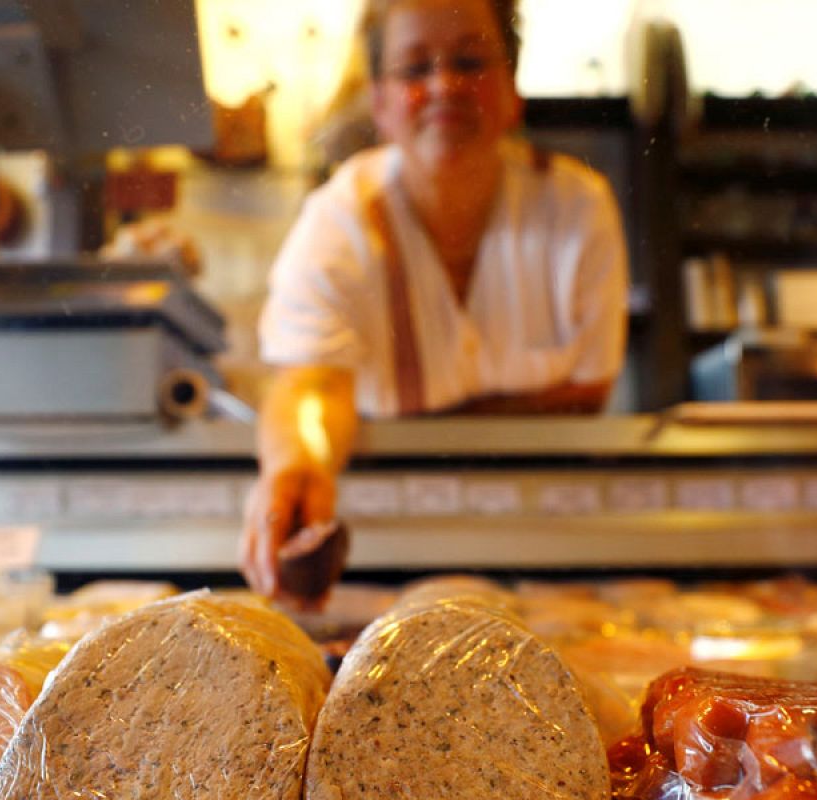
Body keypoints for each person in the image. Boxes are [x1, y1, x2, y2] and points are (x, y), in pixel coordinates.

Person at [240, 0, 629, 604]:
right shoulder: (338, 219)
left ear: (511, 90)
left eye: (470, 61)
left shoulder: (578, 207)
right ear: (380, 102)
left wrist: (395, 423)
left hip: (550, 550)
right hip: (383, 550)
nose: (445, 85)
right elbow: (313, 384)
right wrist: (299, 465)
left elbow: (587, 395)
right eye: (414, 70)